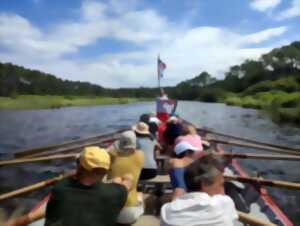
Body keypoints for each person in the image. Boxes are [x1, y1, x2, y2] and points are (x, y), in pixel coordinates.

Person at [6, 146, 132, 226]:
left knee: (34, 219)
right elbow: (129, 181)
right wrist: (117, 180)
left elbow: (70, 177)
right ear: (105, 171)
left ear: (79, 166)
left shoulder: (61, 187)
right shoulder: (117, 192)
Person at [161, 154, 238, 226]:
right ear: (204, 184)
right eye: (221, 185)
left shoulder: (166, 211)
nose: (223, 191)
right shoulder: (224, 203)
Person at [107, 131, 144, 225]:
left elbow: (108, 151)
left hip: (110, 212)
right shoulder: (140, 155)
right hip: (130, 213)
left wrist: (115, 145)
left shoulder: (112, 155)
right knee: (140, 194)